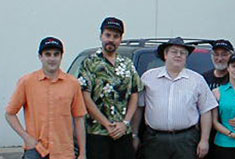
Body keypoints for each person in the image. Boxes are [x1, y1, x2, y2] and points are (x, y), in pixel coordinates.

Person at [133, 37, 218, 159]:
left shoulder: (197, 80)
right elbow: (139, 107)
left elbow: (206, 111)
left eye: (183, 53)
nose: (178, 55)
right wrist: (134, 134)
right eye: (174, 51)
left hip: (186, 141)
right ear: (165, 54)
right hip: (155, 141)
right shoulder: (148, 77)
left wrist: (204, 140)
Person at [5, 37, 87, 159]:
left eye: (56, 54)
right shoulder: (27, 82)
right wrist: (27, 138)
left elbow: (79, 119)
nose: (52, 59)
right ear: (40, 56)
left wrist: (82, 153)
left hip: (64, 152)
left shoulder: (72, 84)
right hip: (36, 151)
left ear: (61, 56)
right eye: (47, 54)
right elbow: (9, 114)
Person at [77, 17, 143, 159]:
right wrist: (107, 124)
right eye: (108, 35)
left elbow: (134, 94)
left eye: (115, 36)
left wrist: (125, 123)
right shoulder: (89, 63)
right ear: (101, 36)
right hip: (97, 133)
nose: (111, 40)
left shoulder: (127, 64)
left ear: (120, 39)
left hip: (123, 133)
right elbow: (85, 97)